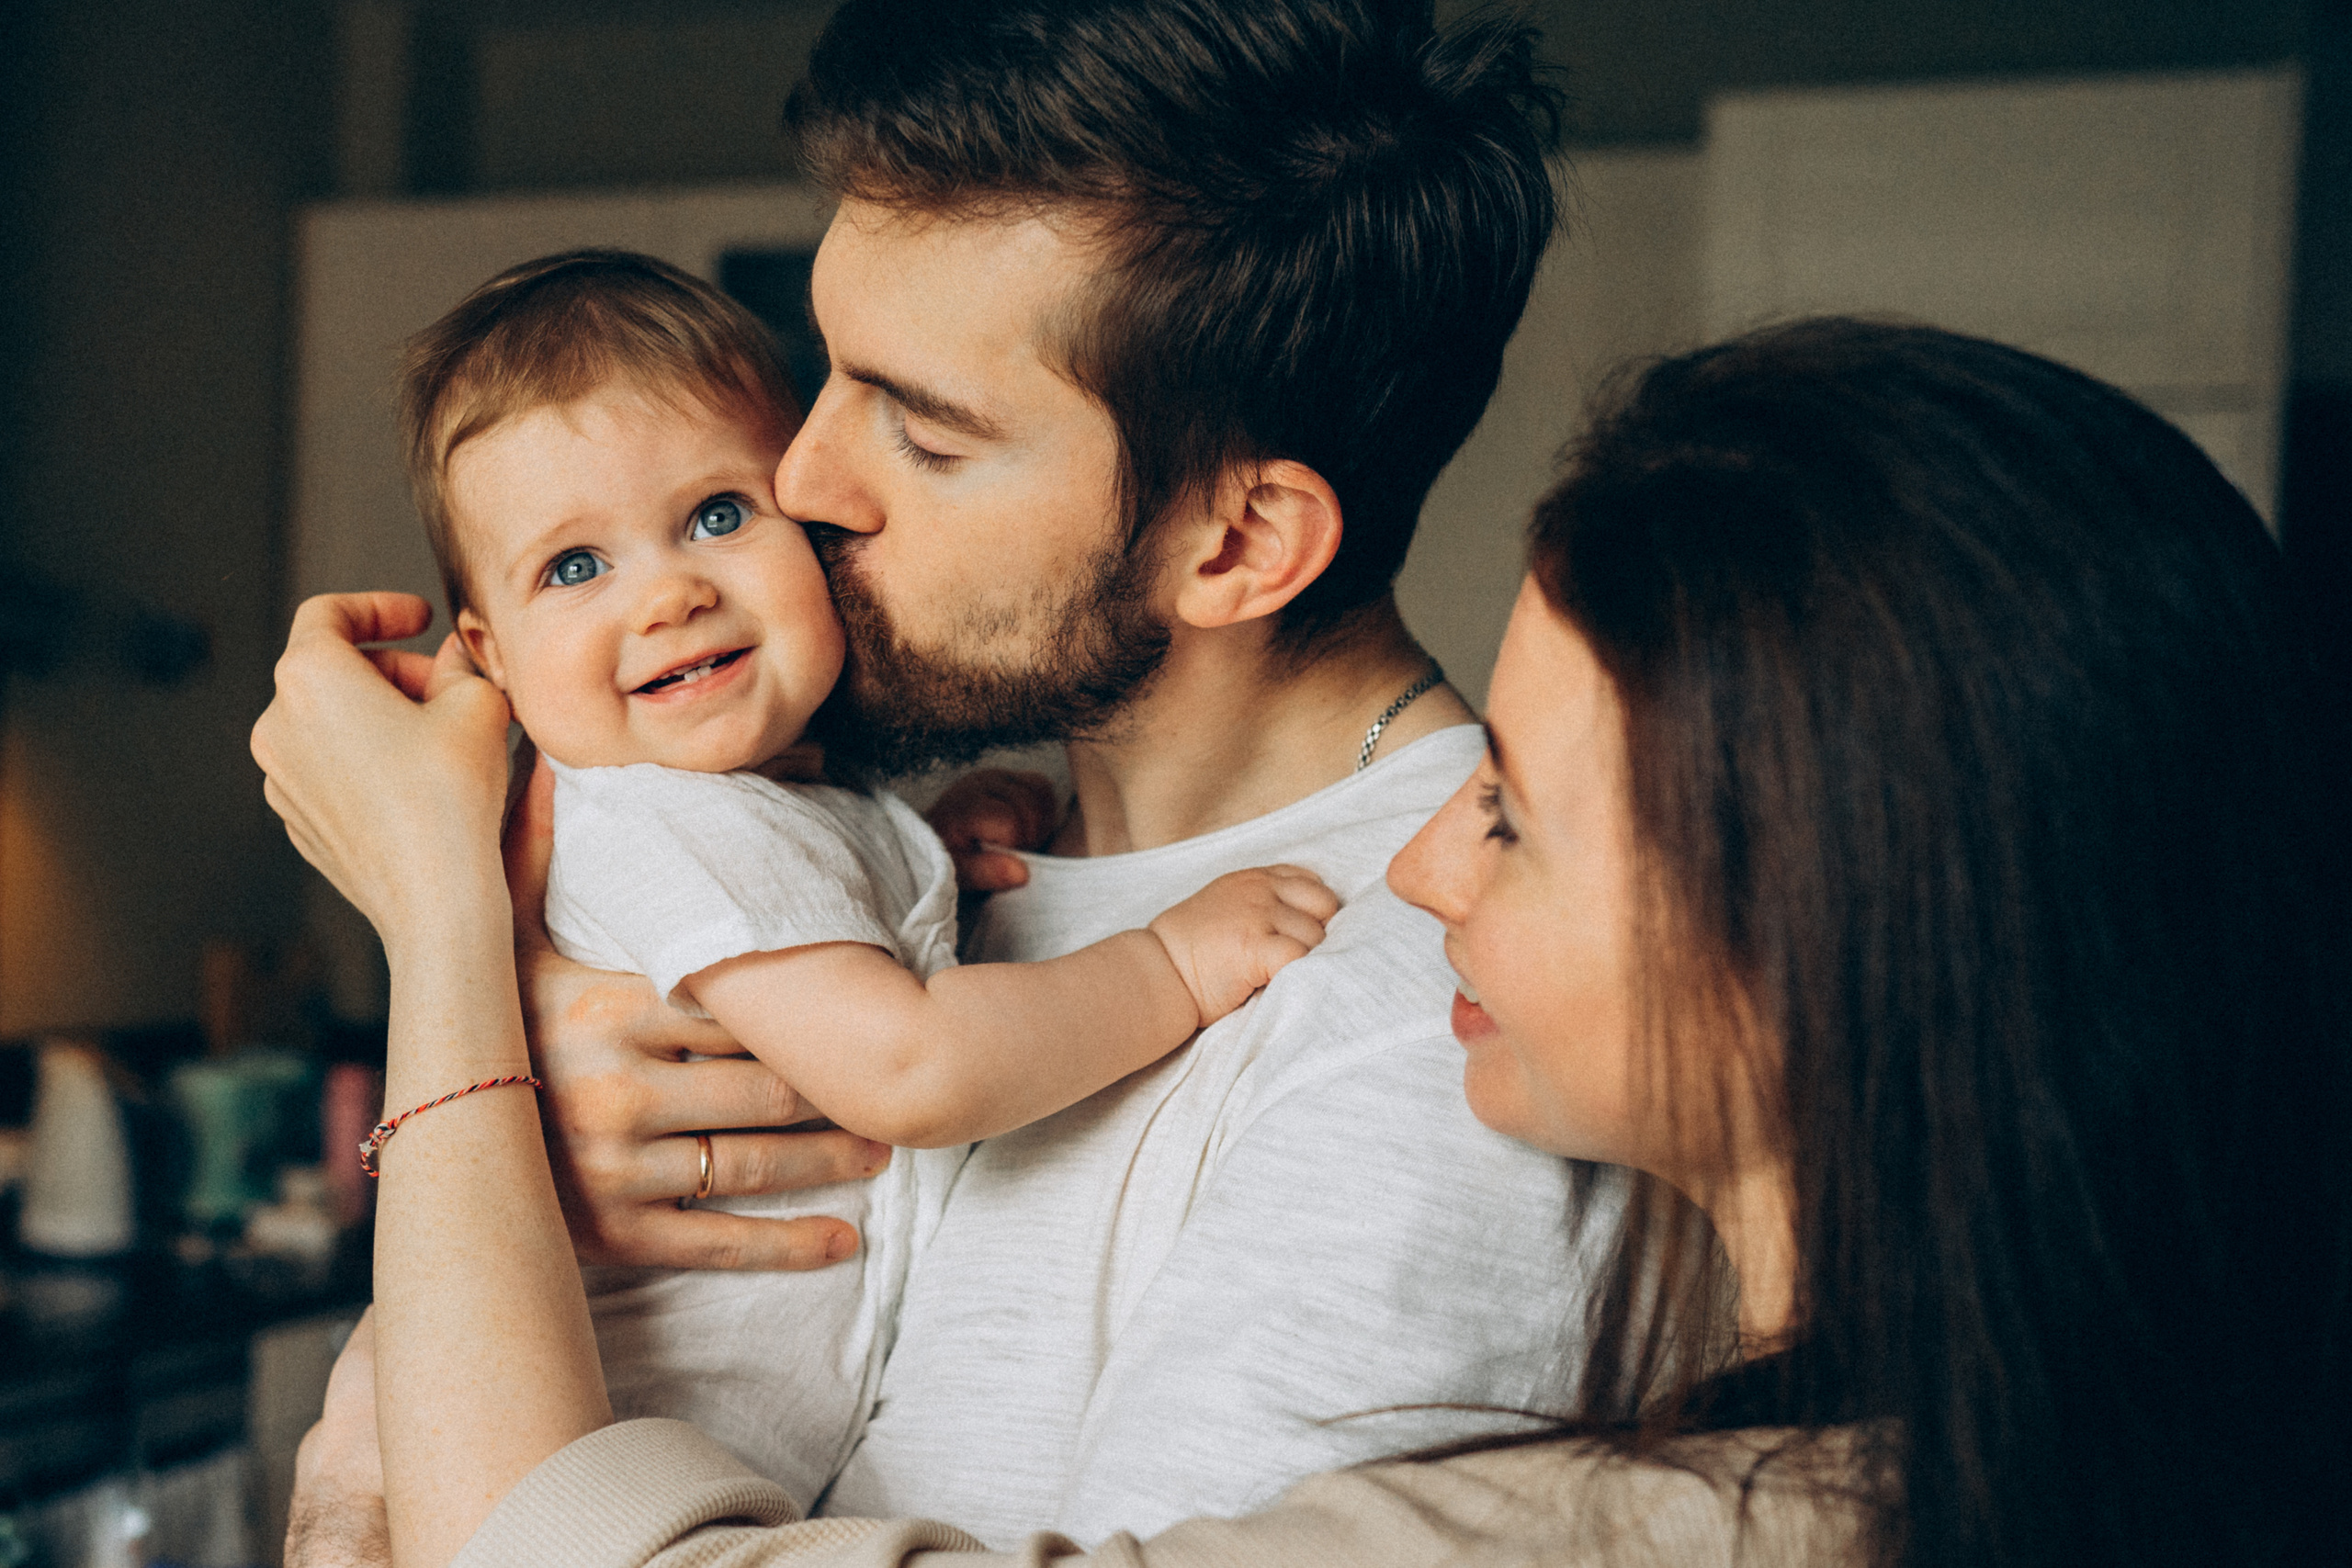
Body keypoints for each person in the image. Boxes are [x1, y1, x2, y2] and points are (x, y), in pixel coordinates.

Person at [255, 316, 2350, 1567]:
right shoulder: (1953, 1435)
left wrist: (444, 936)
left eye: (1511, 802)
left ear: (1833, 925)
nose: (1426, 853)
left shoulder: (1607, 1516)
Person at [350, 0, 1628, 1551]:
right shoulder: (943, 856)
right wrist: (520, 1144)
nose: (801, 480)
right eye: (830, 373)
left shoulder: (1432, 1022)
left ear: (1234, 543)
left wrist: (444, 981)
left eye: (927, 433)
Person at [383, 246, 1339, 1505]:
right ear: (487, 658)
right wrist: (1170, 962)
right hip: (612, 1485)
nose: (670, 593)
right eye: (575, 566)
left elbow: (811, 934)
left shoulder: (773, 805)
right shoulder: (668, 821)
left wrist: (927, 852)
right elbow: (911, 1065)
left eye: (719, 516)